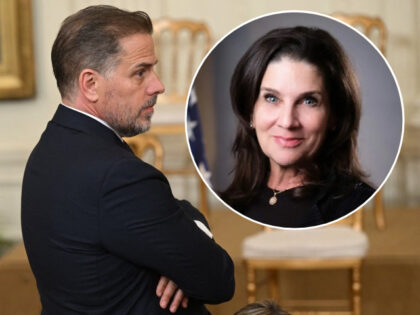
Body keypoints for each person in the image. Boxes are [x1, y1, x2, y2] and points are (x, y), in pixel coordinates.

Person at [21, 5, 234, 314]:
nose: (158, 85)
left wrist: (180, 251)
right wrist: (188, 237)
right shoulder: (119, 176)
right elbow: (218, 280)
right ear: (91, 85)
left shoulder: (48, 150)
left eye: (153, 69)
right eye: (140, 72)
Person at [220, 26, 375, 228]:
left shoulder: (356, 202)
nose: (287, 121)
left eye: (309, 101)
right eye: (272, 98)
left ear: (333, 116)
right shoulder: (231, 202)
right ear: (251, 111)